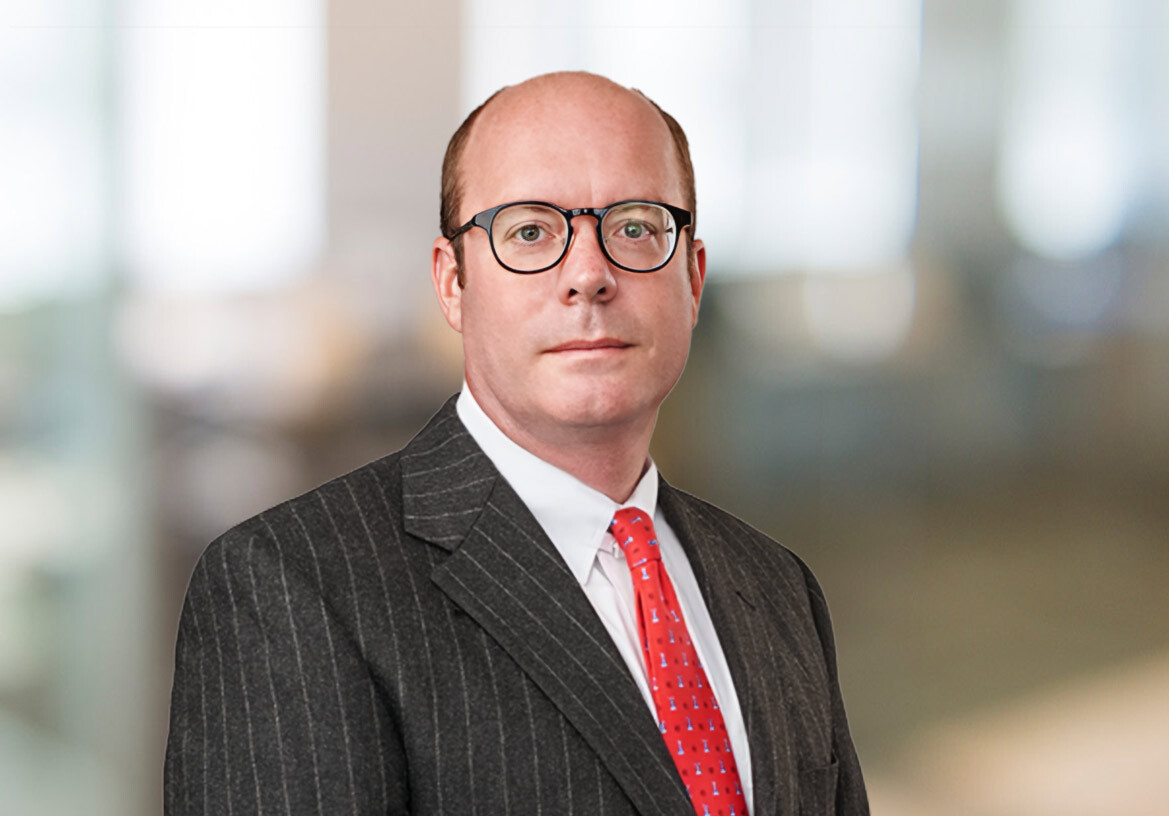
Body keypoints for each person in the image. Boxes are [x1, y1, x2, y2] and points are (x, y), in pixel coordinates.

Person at [164, 71, 869, 816]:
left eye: (635, 227)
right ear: (453, 284)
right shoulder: (290, 588)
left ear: (692, 281)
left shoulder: (778, 586)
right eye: (530, 232)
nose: (589, 275)